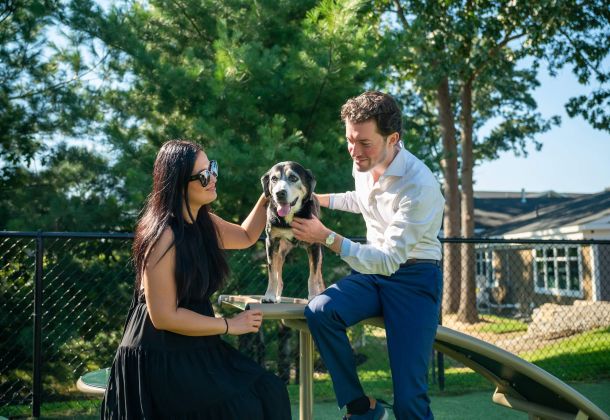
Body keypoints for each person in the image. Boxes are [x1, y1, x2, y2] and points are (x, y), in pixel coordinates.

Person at [101, 140, 291, 419]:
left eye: (212, 168)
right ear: (179, 183)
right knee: (242, 410)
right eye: (203, 175)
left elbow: (246, 236)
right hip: (160, 354)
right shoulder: (162, 235)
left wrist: (269, 193)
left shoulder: (204, 222)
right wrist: (229, 325)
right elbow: (164, 317)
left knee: (269, 389)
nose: (212, 178)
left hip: (196, 345)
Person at [291, 91, 444, 420]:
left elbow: (389, 259)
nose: (354, 151)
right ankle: (362, 408)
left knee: (409, 397)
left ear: (393, 139)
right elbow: (361, 199)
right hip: (374, 276)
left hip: (414, 281)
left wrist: (327, 237)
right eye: (349, 140)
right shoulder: (364, 163)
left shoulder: (419, 185)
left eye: (364, 143)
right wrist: (314, 198)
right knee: (320, 311)